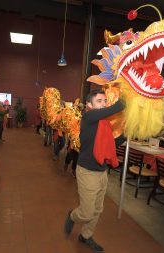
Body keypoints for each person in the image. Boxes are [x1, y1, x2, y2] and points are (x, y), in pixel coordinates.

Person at [64, 89, 124, 252]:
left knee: (97, 209)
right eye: (100, 101)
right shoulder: (88, 117)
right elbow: (117, 107)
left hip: (101, 172)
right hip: (87, 172)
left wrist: (126, 134)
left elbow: (111, 145)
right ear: (89, 105)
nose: (104, 104)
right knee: (86, 213)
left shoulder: (104, 124)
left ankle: (86, 235)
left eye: (105, 101)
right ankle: (72, 215)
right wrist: (128, 99)